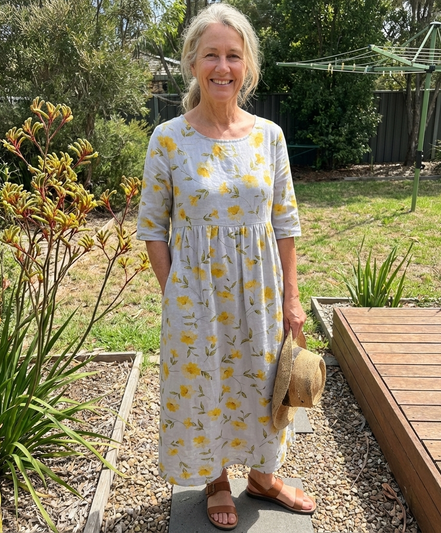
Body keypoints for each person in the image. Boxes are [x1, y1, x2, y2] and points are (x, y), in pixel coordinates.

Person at [136, 3, 316, 530]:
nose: (222, 66)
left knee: (262, 382)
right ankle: (216, 479)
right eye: (211, 54)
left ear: (248, 65)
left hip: (261, 292)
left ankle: (262, 476)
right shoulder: (168, 139)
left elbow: (285, 221)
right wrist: (175, 292)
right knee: (205, 385)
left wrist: (292, 298)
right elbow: (152, 226)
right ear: (193, 62)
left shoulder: (269, 137)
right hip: (196, 295)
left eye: (233, 55)